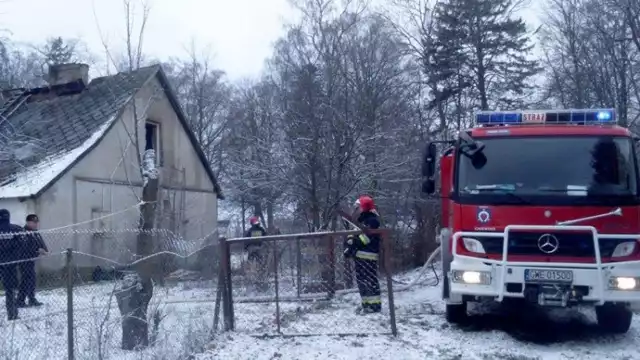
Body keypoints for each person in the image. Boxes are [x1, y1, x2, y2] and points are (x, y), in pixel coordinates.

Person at [344, 195, 382, 314]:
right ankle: (366, 304)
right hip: (359, 255)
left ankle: (374, 306)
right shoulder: (359, 221)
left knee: (370, 281)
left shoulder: (372, 220)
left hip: (368, 256)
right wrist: (349, 245)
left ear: (364, 207)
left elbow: (366, 238)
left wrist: (354, 243)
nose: (356, 209)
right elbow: (353, 235)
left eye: (358, 207)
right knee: (362, 281)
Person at [17, 214, 47, 307]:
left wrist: (44, 249)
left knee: (32, 279)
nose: (36, 224)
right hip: (24, 260)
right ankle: (20, 300)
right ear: (28, 222)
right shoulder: (23, 233)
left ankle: (31, 299)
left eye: (36, 222)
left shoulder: (35, 232)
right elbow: (25, 248)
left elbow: (40, 242)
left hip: (31, 260)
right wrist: (37, 250)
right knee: (26, 280)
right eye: (34, 222)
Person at [0, 209, 24, 320]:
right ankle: (12, 313)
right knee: (10, 289)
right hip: (11, 264)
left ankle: (12, 313)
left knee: (9, 288)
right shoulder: (16, 229)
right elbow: (22, 244)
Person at [244, 216, 268, 288]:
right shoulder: (261, 229)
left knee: (250, 262)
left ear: (251, 223)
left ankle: (252, 275)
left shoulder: (250, 230)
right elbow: (266, 237)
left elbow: (246, 240)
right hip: (260, 248)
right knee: (260, 262)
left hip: (251, 248)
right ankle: (260, 273)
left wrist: (245, 248)